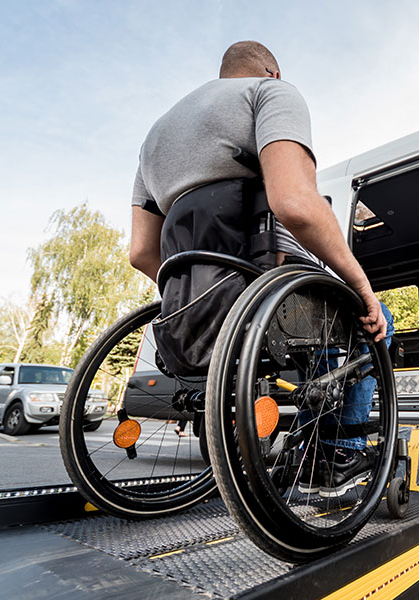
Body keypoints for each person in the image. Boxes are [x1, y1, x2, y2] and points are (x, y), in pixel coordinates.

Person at [129, 40, 390, 496]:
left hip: (197, 299)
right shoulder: (270, 94)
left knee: (321, 336)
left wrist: (199, 291)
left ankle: (311, 445)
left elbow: (142, 253)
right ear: (272, 72)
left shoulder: (156, 137)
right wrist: (360, 283)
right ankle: (331, 450)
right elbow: (294, 203)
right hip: (266, 283)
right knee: (374, 326)